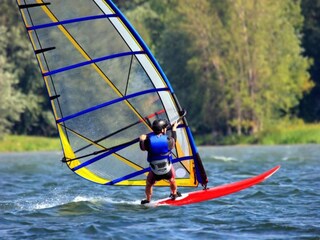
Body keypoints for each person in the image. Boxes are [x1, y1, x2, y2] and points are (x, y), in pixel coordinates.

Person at [140, 119, 181, 204]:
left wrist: (142, 139)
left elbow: (142, 148)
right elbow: (174, 141)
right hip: (168, 170)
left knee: (149, 184)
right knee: (172, 179)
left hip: (155, 172)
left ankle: (148, 199)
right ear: (163, 130)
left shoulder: (148, 141)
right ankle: (174, 193)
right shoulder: (168, 140)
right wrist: (174, 129)